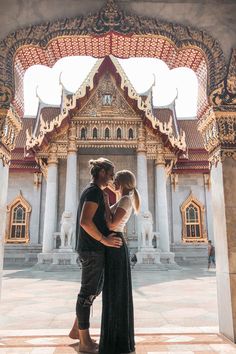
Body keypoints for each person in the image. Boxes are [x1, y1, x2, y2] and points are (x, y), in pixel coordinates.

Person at [69, 158, 123, 354]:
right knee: (87, 293)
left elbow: (108, 220)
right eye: (111, 172)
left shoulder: (99, 193)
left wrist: (111, 197)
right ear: (101, 173)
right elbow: (85, 221)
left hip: (94, 249)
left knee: (96, 288)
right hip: (91, 248)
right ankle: (84, 342)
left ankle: (77, 329)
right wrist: (104, 240)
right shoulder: (92, 191)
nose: (113, 176)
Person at [99, 170, 141, 354]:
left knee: (116, 292)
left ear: (122, 183)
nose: (113, 183)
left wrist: (106, 201)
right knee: (113, 291)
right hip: (114, 244)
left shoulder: (125, 200)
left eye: (115, 181)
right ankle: (115, 338)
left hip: (115, 243)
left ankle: (118, 340)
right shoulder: (123, 198)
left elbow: (111, 224)